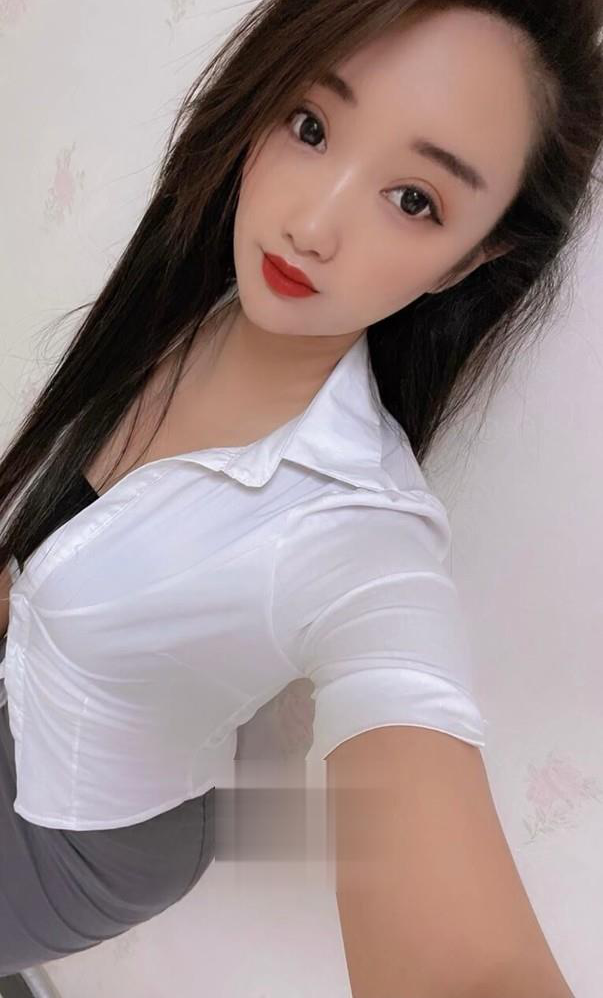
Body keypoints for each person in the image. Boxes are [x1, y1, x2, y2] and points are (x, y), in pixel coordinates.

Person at [0, 0, 600, 991]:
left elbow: (470, 966)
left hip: (82, 840)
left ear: (471, 259)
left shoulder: (358, 533)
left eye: (413, 199)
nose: (310, 225)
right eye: (311, 125)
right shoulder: (195, 295)